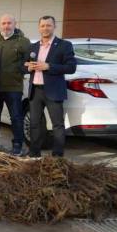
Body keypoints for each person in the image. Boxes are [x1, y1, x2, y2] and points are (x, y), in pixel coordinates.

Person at [25, 16, 76, 158]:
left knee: (57, 125)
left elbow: (71, 67)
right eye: (42, 26)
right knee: (35, 124)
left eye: (48, 25)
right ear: (39, 27)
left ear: (54, 27)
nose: (45, 28)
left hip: (53, 91)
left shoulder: (64, 45)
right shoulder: (33, 47)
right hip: (35, 90)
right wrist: (28, 67)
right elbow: (22, 65)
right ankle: (34, 153)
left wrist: (49, 66)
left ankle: (57, 156)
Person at [0, 14, 31, 155]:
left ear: (14, 24)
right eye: (4, 23)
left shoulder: (23, 42)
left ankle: (17, 143)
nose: (6, 26)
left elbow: (28, 62)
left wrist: (19, 71)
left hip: (13, 87)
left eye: (9, 23)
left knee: (16, 117)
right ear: (0, 24)